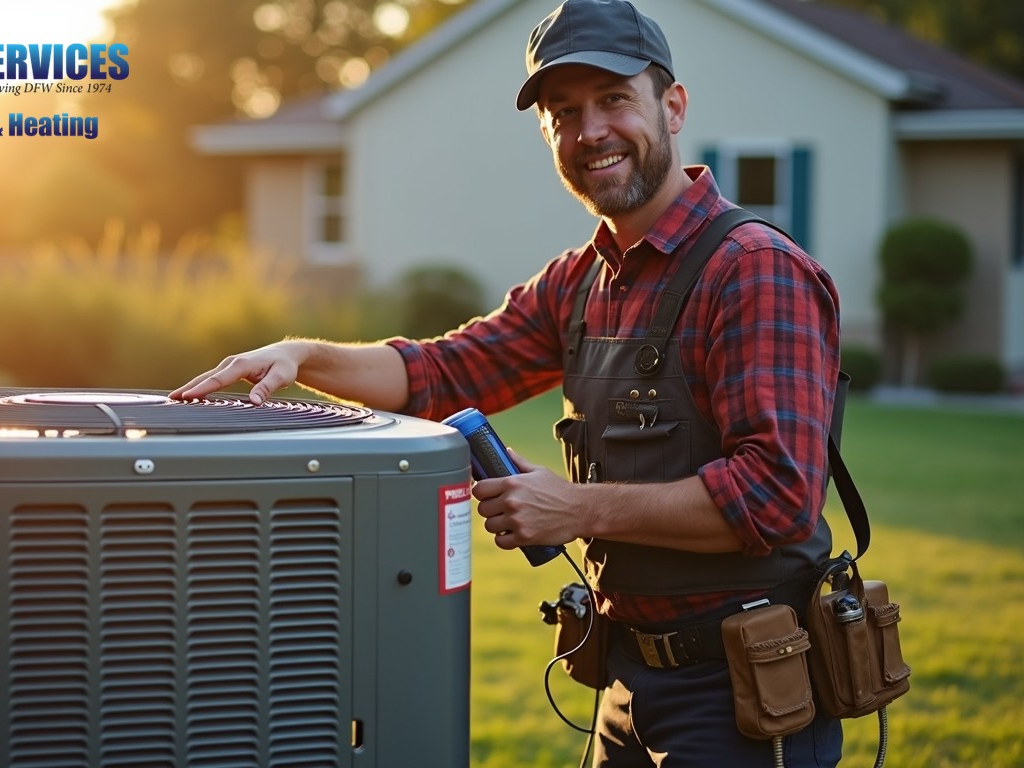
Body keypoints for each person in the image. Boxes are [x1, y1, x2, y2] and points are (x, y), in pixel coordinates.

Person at [173, 0, 843, 764]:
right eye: (564, 113)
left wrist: (573, 506)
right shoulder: (578, 283)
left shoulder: (752, 268)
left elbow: (777, 495)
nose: (589, 132)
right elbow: (437, 374)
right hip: (625, 683)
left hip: (744, 698)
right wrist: (301, 356)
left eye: (614, 100)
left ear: (674, 106)